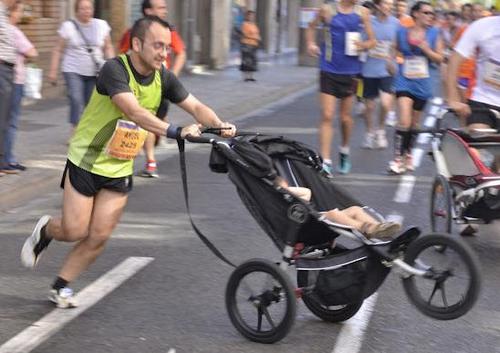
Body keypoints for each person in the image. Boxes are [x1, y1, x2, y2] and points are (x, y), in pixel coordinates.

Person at [20, 16, 237, 308]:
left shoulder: (164, 77)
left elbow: (196, 106)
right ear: (137, 44)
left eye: (167, 47)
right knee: (74, 231)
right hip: (87, 159)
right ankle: (46, 230)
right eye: (158, 46)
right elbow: (133, 112)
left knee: (98, 236)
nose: (164, 53)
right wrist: (176, 131)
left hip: (120, 165)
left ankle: (61, 286)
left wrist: (219, 125)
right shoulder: (114, 70)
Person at [306, 0, 376, 174]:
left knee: (345, 118)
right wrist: (310, 44)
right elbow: (311, 26)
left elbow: (372, 41)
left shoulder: (362, 13)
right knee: (327, 115)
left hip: (351, 71)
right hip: (328, 68)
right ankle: (326, 161)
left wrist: (364, 45)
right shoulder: (327, 10)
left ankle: (344, 149)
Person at [119, 0, 186, 178]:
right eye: (160, 7)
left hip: (159, 87)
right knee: (141, 121)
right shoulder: (133, 32)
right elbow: (122, 54)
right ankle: (148, 161)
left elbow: (181, 52)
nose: (164, 11)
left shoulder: (169, 31)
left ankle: (147, 157)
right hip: (136, 87)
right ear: (148, 10)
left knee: (147, 122)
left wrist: (171, 77)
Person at [388, 1, 443, 174]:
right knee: (403, 119)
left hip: (424, 82)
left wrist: (426, 49)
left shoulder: (435, 34)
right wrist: (390, 61)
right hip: (404, 79)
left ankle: (408, 155)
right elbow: (393, 49)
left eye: (432, 14)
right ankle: (398, 158)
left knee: (414, 123)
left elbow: (439, 59)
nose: (430, 16)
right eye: (426, 13)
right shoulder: (402, 32)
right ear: (416, 14)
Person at [48, 0, 114, 137]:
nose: (86, 11)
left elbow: (108, 47)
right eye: (83, 8)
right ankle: (74, 130)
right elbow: (57, 49)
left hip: (94, 71)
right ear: (76, 10)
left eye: (89, 8)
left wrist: (112, 65)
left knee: (90, 103)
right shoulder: (68, 26)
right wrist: (53, 71)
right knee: (75, 98)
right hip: (72, 70)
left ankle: (86, 131)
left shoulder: (101, 25)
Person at [275, 177, 401, 239]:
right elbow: (306, 192)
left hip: (317, 216)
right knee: (334, 213)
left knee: (355, 209)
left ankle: (379, 227)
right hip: (310, 223)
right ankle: (368, 229)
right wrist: (283, 191)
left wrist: (286, 190)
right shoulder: (281, 203)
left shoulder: (294, 196)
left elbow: (306, 192)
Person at [360, 0, 399, 149]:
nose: (388, 7)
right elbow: (361, 42)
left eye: (390, 4)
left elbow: (397, 44)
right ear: (377, 6)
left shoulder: (396, 23)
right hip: (369, 69)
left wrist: (392, 59)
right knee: (369, 107)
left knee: (385, 102)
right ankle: (370, 132)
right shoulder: (368, 22)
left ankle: (381, 130)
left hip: (387, 69)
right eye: (385, 4)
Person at [4, 0, 38, 172]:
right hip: (15, 80)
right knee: (11, 122)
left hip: (9, 80)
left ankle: (7, 158)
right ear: (13, 12)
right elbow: (32, 52)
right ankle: (7, 159)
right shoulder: (14, 31)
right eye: (20, 11)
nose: (21, 15)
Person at [0, 0, 18, 176]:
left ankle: (3, 162)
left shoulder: (4, 14)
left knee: (4, 118)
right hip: (1, 69)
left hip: (6, 70)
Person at [239, 10, 261, 82]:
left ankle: (251, 76)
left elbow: (256, 33)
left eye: (252, 15)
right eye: (250, 15)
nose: (251, 17)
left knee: (253, 61)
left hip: (254, 44)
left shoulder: (253, 24)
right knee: (246, 60)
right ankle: (245, 77)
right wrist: (254, 37)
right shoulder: (245, 24)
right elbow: (245, 34)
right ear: (247, 16)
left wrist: (258, 38)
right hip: (247, 44)